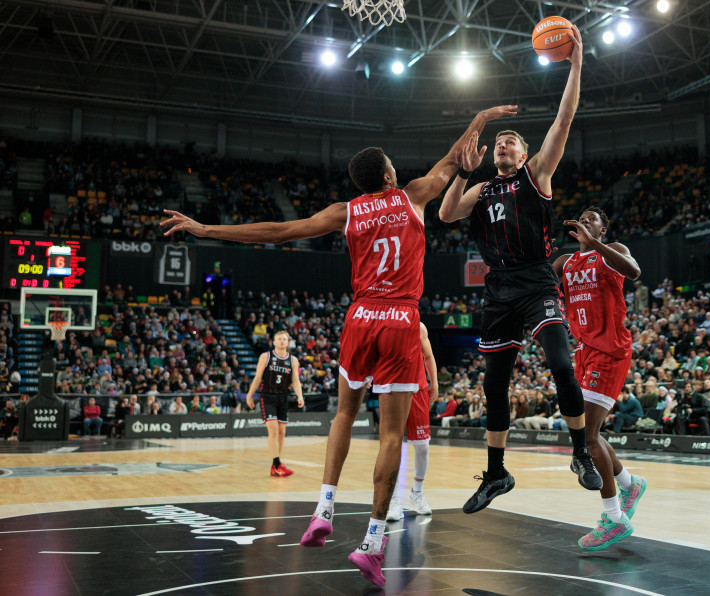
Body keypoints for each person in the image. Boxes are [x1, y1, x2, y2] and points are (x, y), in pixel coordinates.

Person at [161, 104, 516, 588]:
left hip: (361, 317)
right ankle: (372, 541)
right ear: (389, 173)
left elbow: (278, 232)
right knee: (392, 436)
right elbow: (456, 157)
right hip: (399, 320)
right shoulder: (412, 195)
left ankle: (323, 508)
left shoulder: (344, 212)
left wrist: (205, 230)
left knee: (344, 415)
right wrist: (481, 118)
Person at [439, 25, 603, 516]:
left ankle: (579, 453)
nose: (505, 145)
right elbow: (447, 214)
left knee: (559, 363)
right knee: (494, 383)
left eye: (512, 140)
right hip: (499, 288)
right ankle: (496, 473)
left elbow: (565, 117)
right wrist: (464, 171)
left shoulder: (537, 176)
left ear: (525, 152)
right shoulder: (481, 189)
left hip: (536, 279)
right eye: (500, 142)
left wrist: (575, 66)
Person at [551, 206, 646, 550]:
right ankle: (629, 482)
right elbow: (539, 284)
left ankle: (615, 518)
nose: (586, 222)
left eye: (594, 220)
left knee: (588, 439)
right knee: (587, 434)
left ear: (604, 229)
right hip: (583, 351)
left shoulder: (614, 252)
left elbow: (634, 272)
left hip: (610, 350)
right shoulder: (564, 263)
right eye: (583, 218)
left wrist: (595, 244)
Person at [387, 323, 438, 522]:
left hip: (417, 389)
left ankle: (417, 492)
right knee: (392, 446)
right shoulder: (384, 322)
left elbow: (428, 356)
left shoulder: (419, 327)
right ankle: (393, 499)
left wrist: (434, 384)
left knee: (422, 447)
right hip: (392, 388)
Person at [244, 330, 305, 477]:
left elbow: (296, 381)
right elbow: (258, 377)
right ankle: (277, 464)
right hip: (268, 396)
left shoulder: (293, 360)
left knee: (282, 433)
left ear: (288, 342)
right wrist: (250, 395)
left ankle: (275, 465)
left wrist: (300, 396)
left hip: (283, 397)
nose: (282, 341)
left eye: (285, 339)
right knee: (274, 430)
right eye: (279, 339)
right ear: (274, 342)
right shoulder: (266, 356)